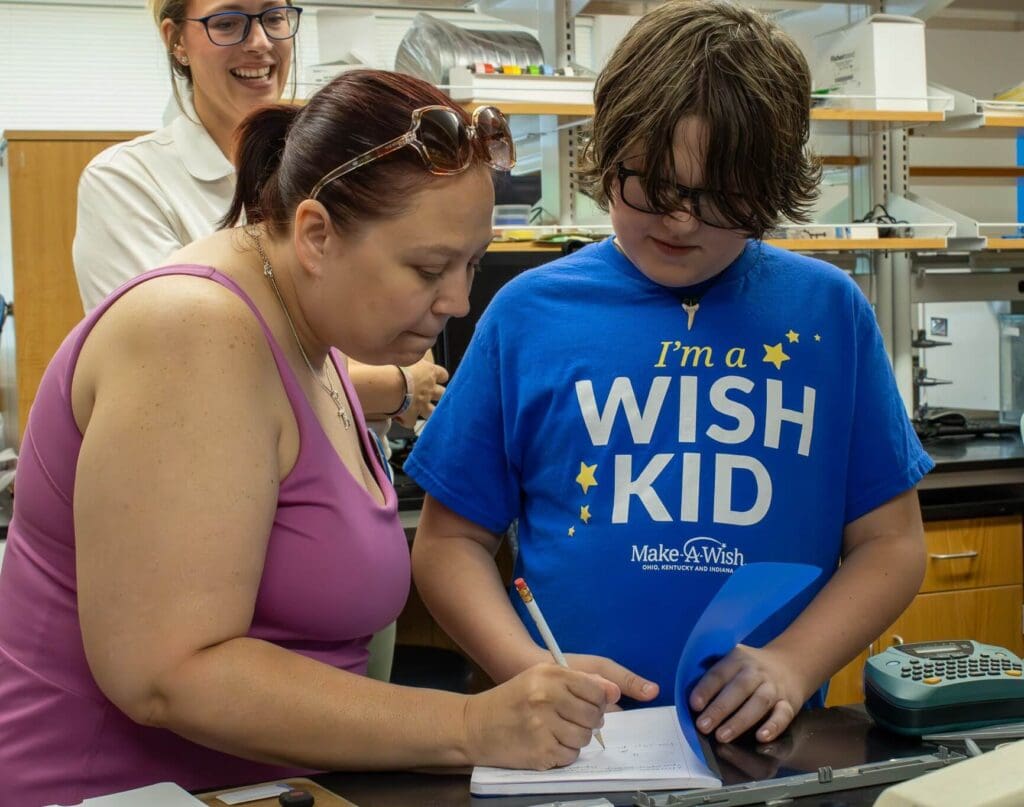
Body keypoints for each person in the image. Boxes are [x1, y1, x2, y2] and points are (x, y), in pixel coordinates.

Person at [0, 70, 620, 807]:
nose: (455, 301)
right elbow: (167, 672)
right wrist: (468, 722)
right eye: (428, 268)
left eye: (471, 263)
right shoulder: (194, 332)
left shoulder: (309, 334)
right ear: (316, 234)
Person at [406, 0, 931, 747]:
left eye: (718, 198)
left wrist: (791, 662)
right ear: (607, 151)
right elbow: (450, 543)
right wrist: (526, 670)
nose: (681, 221)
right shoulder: (528, 316)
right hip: (571, 746)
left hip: (762, 746)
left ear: (773, 185)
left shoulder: (830, 314)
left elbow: (893, 544)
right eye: (652, 186)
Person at [72, 0, 447, 428]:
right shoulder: (127, 181)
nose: (260, 43)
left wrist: (394, 376)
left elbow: (404, 321)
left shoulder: (336, 164)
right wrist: (393, 387)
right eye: (227, 23)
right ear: (176, 40)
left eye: (273, 18)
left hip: (353, 467)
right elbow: (182, 367)